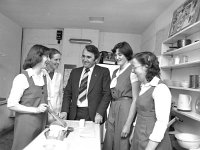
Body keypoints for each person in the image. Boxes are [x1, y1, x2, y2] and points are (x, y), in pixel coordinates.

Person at [7, 44, 50, 150]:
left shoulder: (44, 76)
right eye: (47, 56)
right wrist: (36, 110)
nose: (49, 60)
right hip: (26, 124)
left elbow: (46, 98)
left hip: (42, 122)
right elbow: (11, 104)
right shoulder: (22, 78)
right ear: (38, 56)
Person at [130, 51, 172, 150]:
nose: (132, 71)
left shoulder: (160, 88)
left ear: (146, 66)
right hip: (139, 136)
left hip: (152, 143)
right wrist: (134, 132)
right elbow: (141, 113)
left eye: (134, 67)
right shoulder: (144, 86)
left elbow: (162, 123)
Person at [60, 44, 111, 124]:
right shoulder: (75, 72)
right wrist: (64, 111)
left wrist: (100, 113)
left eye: (88, 57)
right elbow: (67, 93)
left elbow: (107, 94)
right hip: (74, 113)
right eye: (83, 56)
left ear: (96, 59)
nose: (85, 59)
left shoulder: (103, 72)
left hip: (93, 115)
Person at [103, 42, 140, 150]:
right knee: (109, 138)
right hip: (113, 107)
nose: (117, 57)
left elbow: (136, 99)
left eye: (120, 55)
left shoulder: (132, 71)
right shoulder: (115, 72)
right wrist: (109, 117)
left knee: (121, 140)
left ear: (127, 55)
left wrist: (128, 124)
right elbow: (112, 95)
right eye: (116, 55)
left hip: (125, 108)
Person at [44, 48, 63, 124]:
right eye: (56, 60)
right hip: (43, 112)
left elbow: (60, 94)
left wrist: (60, 111)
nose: (58, 62)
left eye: (59, 60)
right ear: (48, 59)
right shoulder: (41, 73)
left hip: (56, 113)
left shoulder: (59, 75)